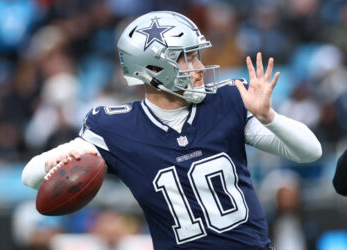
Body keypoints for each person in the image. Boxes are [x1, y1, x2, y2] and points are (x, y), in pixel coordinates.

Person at [21, 11, 322, 250]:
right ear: (153, 69)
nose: (200, 67)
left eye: (197, 55)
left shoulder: (227, 102)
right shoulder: (115, 127)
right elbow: (30, 176)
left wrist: (269, 116)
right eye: (188, 57)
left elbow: (310, 152)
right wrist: (62, 156)